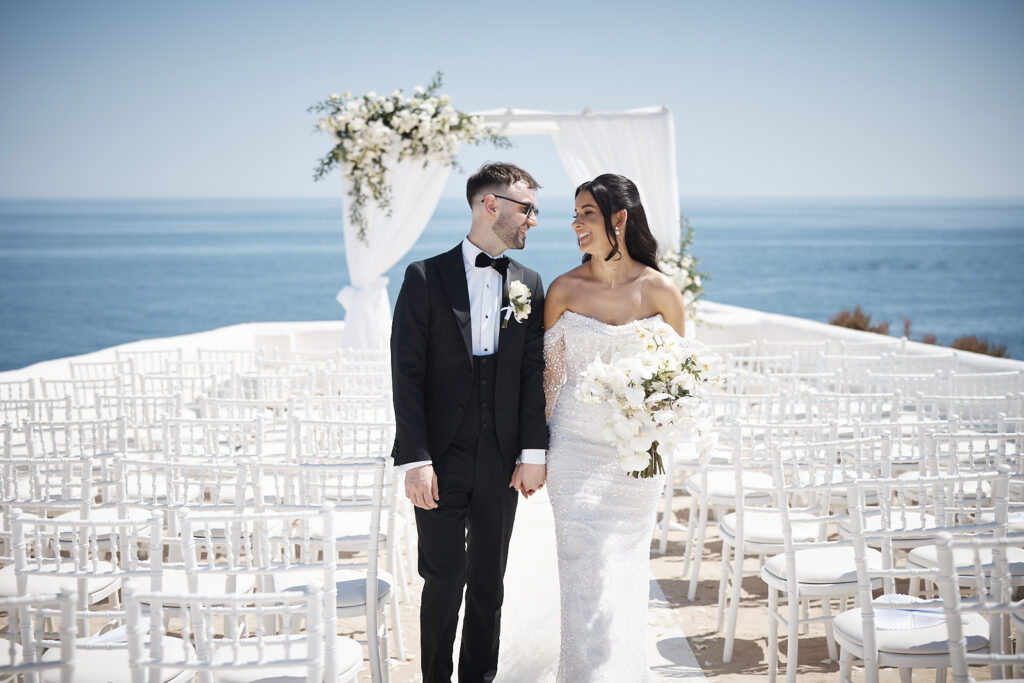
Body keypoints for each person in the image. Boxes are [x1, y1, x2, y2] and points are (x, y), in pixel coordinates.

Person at [390, 162, 549, 683]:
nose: (533, 220)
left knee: (489, 581)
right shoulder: (423, 277)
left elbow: (532, 375)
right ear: (491, 205)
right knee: (442, 576)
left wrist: (532, 453)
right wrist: (415, 460)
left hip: (501, 459)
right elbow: (407, 375)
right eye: (527, 208)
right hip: (439, 457)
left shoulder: (529, 283)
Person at [542, 173, 686, 681]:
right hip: (573, 457)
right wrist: (530, 454)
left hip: (635, 468)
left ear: (618, 219)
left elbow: (675, 386)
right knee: (586, 574)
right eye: (575, 213)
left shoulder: (662, 293)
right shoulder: (562, 290)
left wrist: (656, 432)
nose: (576, 224)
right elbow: (548, 382)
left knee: (622, 575)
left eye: (587, 213)